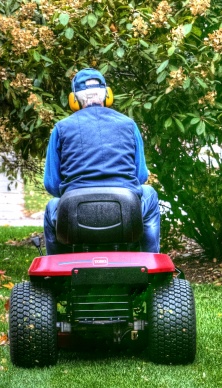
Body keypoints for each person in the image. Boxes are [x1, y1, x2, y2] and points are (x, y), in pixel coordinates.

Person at [43, 68, 161, 254]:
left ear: (74, 100)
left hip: (74, 212)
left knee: (52, 206)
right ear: (107, 95)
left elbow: (52, 184)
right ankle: (150, 261)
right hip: (125, 208)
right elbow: (140, 176)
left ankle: (57, 270)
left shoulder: (61, 128)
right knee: (150, 194)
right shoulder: (129, 125)